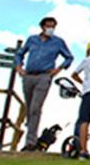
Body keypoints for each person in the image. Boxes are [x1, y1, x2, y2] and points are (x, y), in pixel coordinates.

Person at [14, 17, 74, 151]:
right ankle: (31, 134)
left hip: (44, 76)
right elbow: (19, 54)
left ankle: (30, 142)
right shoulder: (32, 40)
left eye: (53, 26)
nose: (50, 29)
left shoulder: (58, 42)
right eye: (48, 26)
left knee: (36, 108)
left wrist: (58, 69)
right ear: (42, 27)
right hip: (29, 75)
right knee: (29, 108)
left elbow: (69, 57)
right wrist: (19, 67)